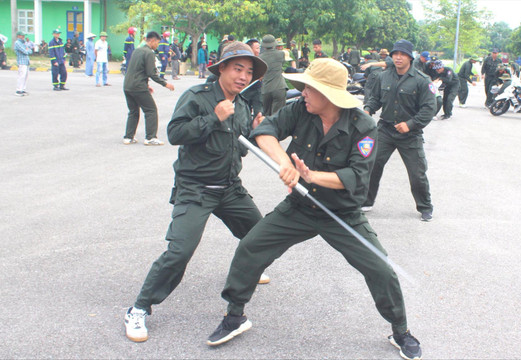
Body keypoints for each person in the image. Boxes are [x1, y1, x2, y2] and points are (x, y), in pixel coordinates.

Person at [206, 58, 423, 360]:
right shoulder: (300, 109)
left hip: (342, 213)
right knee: (251, 247)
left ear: (329, 94)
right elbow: (265, 132)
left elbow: (357, 178)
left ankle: (400, 331)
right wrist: (285, 164)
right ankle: (235, 315)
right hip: (300, 206)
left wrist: (309, 176)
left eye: (309, 88)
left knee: (381, 269)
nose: (302, 92)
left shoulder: (364, 127)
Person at [123, 41, 269, 343]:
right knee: (179, 252)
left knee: (260, 235)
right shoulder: (198, 97)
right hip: (196, 189)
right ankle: (139, 309)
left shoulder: (242, 105)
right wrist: (213, 117)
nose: (243, 76)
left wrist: (255, 129)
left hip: (229, 188)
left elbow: (238, 147)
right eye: (237, 68)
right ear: (222, 69)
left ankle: (247, 272)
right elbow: (175, 134)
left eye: (249, 71)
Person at [363, 39, 436, 221]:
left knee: (417, 173)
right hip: (385, 130)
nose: (398, 57)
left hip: (410, 134)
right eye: (395, 54)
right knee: (372, 164)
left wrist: (410, 124)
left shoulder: (422, 80)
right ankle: (366, 200)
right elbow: (375, 99)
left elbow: (429, 109)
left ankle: (425, 206)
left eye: (402, 54)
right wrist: (367, 110)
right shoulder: (383, 76)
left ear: (410, 58)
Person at [122, 31, 175, 146]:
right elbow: (152, 73)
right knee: (151, 110)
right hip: (138, 86)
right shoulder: (149, 53)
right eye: (157, 42)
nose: (157, 45)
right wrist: (165, 84)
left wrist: (146, 85)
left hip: (127, 85)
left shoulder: (137, 51)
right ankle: (150, 137)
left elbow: (136, 70)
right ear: (152, 40)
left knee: (133, 111)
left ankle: (128, 137)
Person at [259, 34, 287, 116]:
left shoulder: (260, 57)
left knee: (267, 116)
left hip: (266, 89)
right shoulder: (281, 54)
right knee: (278, 115)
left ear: (263, 45)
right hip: (279, 88)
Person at [243, 38, 263, 121]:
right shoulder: (244, 61)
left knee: (258, 112)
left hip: (257, 89)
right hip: (246, 90)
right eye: (257, 48)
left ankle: (257, 130)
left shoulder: (260, 60)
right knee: (245, 112)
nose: (259, 50)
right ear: (249, 48)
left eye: (259, 48)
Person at [14, 31, 33, 96]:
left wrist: (27, 49)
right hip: (21, 61)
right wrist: (27, 50)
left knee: (26, 76)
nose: (23, 37)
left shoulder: (24, 42)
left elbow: (30, 51)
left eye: (24, 35)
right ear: (18, 36)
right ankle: (18, 90)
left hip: (26, 61)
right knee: (21, 76)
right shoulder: (17, 43)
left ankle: (23, 89)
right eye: (22, 35)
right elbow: (25, 51)